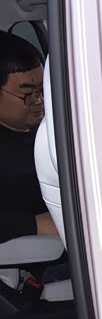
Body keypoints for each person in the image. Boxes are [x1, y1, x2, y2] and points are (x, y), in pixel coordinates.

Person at [0, 31, 57, 245]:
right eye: (27, 94)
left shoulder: (55, 127)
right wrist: (34, 225)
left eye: (42, 90)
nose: (39, 100)